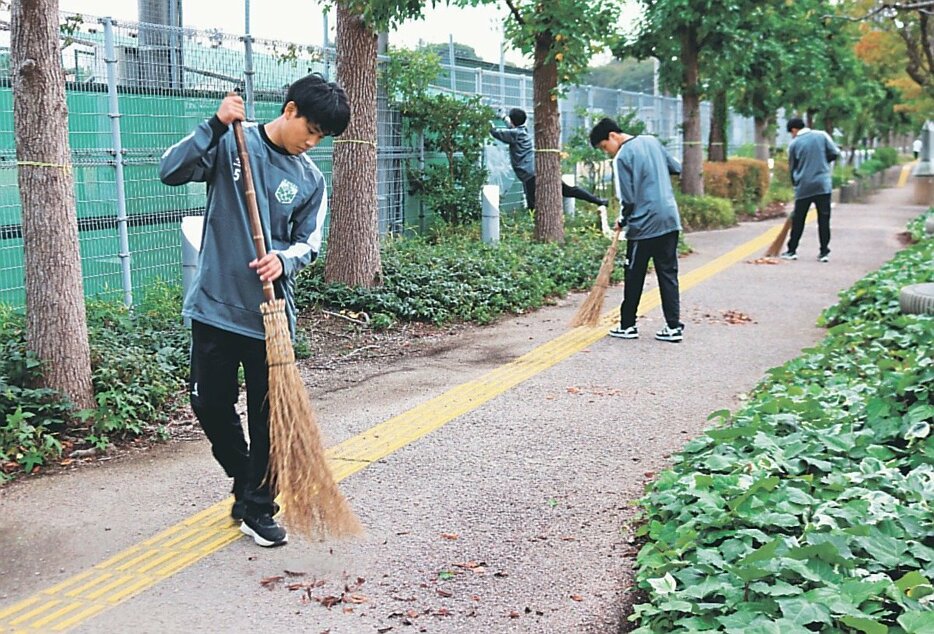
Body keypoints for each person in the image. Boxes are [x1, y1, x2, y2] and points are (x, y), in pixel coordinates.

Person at [159, 74, 350, 547]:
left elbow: (310, 242)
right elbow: (169, 170)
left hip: (270, 316)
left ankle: (260, 507)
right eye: (311, 129)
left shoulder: (311, 179)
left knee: (270, 416)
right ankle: (245, 478)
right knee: (208, 404)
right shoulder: (231, 145)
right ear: (289, 111)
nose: (313, 141)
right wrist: (215, 124)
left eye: (322, 137)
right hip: (215, 306)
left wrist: (282, 258)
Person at [589, 117, 684, 343]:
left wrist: (622, 220)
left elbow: (628, 199)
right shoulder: (652, 141)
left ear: (613, 135)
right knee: (668, 273)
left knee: (634, 275)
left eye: (604, 147)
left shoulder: (623, 156)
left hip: (644, 225)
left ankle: (628, 325)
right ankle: (673, 327)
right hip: (669, 219)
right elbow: (676, 168)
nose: (607, 152)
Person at [490, 107, 609, 212]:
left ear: (512, 121)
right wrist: (504, 117)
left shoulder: (515, 134)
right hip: (536, 170)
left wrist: (488, 123)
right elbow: (511, 126)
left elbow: (496, 133)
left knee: (533, 206)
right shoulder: (522, 130)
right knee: (569, 190)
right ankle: (598, 201)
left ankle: (537, 230)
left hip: (530, 174)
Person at [780, 117, 840, 263]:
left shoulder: (794, 144)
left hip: (804, 186)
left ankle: (792, 250)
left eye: (791, 132)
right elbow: (834, 153)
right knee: (824, 219)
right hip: (823, 185)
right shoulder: (822, 135)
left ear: (794, 130)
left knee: (799, 220)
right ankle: (824, 252)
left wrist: (795, 183)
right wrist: (823, 165)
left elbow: (792, 167)